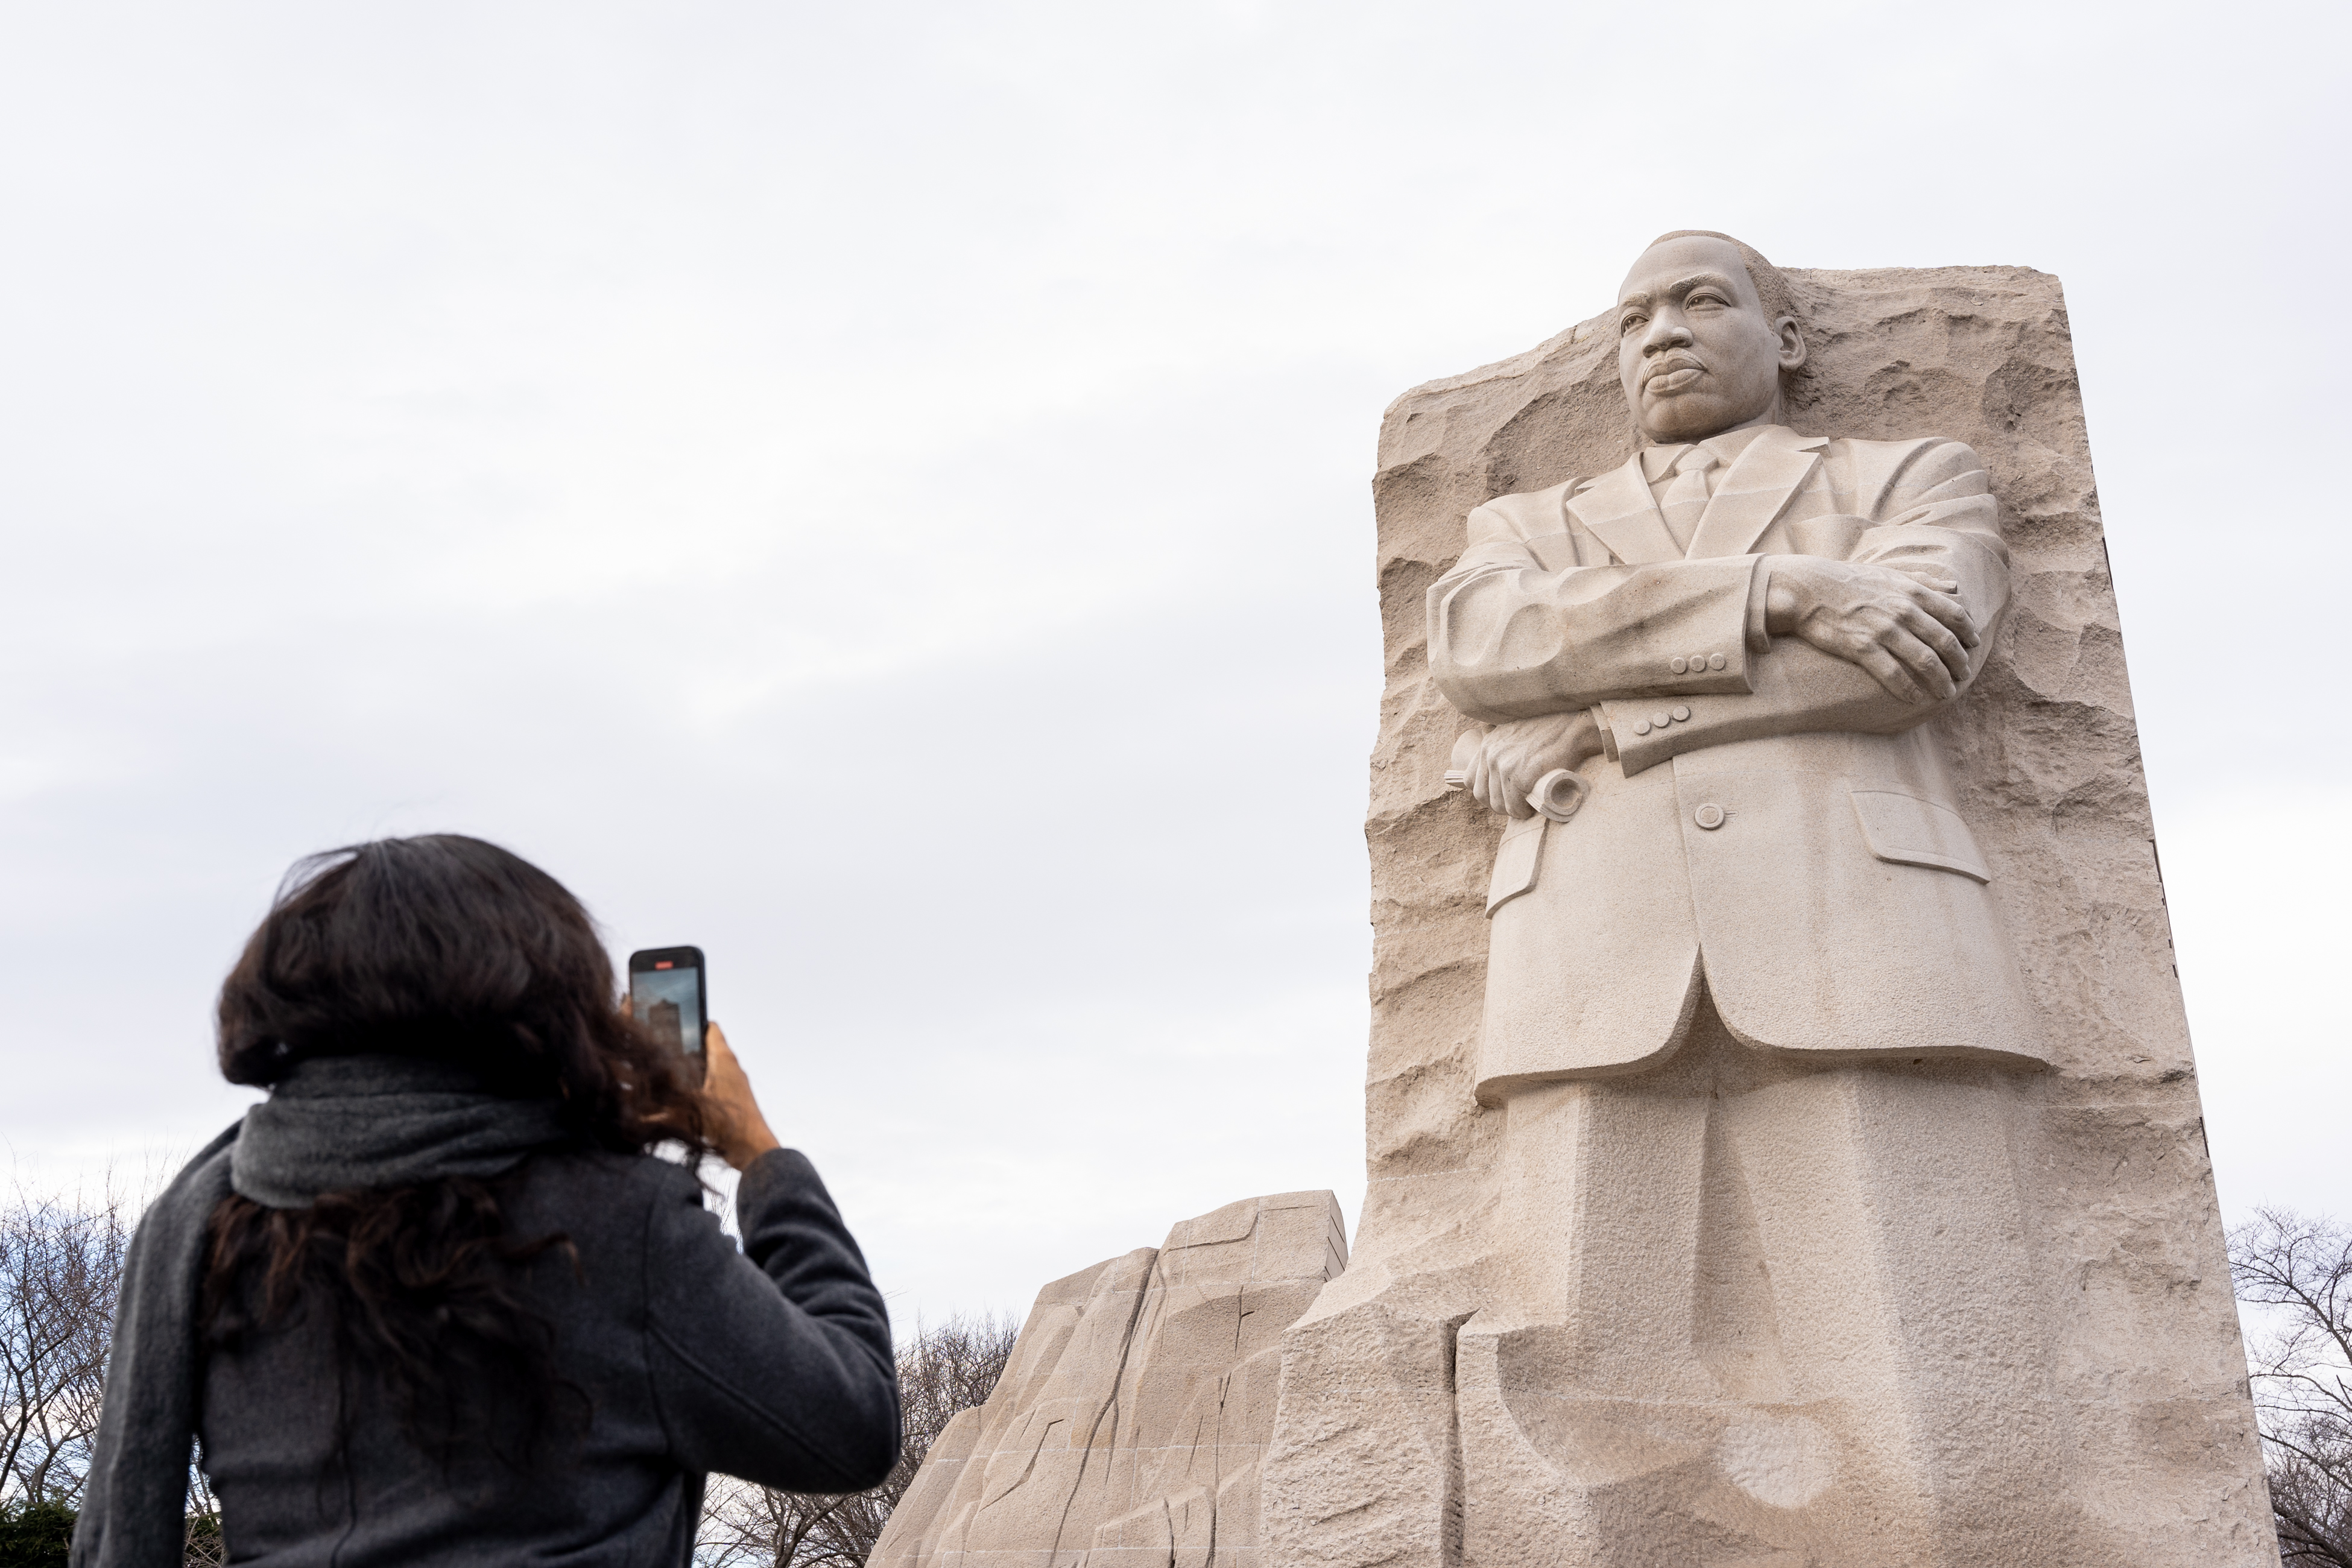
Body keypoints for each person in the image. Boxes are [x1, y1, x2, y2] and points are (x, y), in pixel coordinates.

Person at [73, 835, 899, 1567]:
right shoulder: (619, 1219)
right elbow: (850, 1428)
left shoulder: (203, 1215)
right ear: (540, 996)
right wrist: (763, 1158)